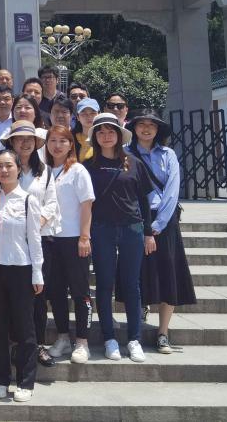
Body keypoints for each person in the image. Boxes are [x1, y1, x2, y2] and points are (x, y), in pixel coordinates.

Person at [86, 112, 155, 363]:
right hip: (101, 229)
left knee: (131, 284)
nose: (106, 136)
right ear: (95, 136)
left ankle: (134, 339)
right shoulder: (88, 166)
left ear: (118, 135)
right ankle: (109, 338)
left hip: (131, 228)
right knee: (105, 284)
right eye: (101, 132)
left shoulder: (133, 162)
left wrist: (148, 232)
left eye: (111, 131)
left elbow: (144, 200)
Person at [126, 109, 196, 354]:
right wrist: (143, 224)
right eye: (142, 124)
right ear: (134, 128)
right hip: (135, 219)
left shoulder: (168, 154)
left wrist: (157, 225)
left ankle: (163, 332)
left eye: (152, 125)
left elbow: (172, 191)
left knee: (169, 275)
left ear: (158, 130)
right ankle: (135, 328)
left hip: (164, 222)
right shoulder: (125, 153)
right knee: (137, 274)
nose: (146, 129)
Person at [0, 121, 59, 368]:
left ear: (36, 143)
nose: (24, 143)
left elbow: (52, 204)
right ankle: (16, 343)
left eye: (29, 139)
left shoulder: (44, 171)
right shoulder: (3, 168)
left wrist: (33, 223)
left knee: (38, 295)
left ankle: (38, 344)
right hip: (10, 243)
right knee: (13, 296)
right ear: (11, 142)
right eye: (19, 139)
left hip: (39, 240)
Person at [0, 150, 43, 403]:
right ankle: (0, 378)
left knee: (24, 329)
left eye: (9, 165)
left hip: (21, 269)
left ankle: (25, 381)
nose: (4, 170)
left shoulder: (28, 200)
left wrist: (37, 272)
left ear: (18, 169)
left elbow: (34, 238)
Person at [43, 126, 94, 365]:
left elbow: (87, 205)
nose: (57, 145)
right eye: (52, 140)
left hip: (74, 239)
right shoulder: (43, 171)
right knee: (56, 292)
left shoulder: (77, 170)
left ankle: (82, 342)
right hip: (50, 240)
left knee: (80, 292)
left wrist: (84, 237)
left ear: (71, 144)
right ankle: (63, 337)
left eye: (62, 141)